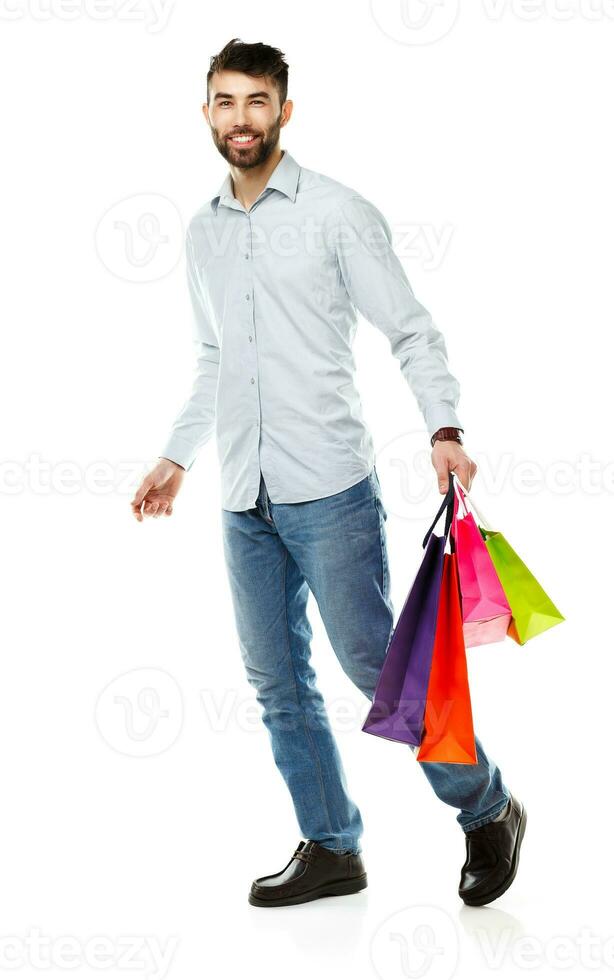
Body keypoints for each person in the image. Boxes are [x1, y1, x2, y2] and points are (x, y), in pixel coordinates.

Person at [131, 37, 526, 908]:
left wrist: (444, 427)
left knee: (377, 670)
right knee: (276, 681)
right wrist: (174, 456)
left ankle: (487, 806)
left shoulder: (338, 213)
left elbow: (413, 332)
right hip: (244, 498)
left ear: (285, 111)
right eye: (225, 102)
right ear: (206, 113)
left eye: (257, 102)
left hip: (331, 492)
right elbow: (212, 358)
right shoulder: (201, 232)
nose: (241, 119)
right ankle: (331, 845)